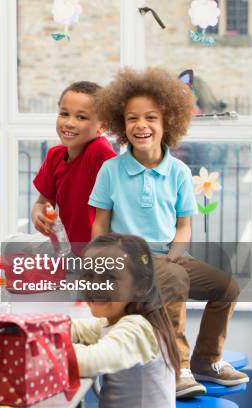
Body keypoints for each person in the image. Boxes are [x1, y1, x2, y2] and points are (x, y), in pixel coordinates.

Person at [89, 68, 248, 398]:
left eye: (150, 117)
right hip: (130, 259)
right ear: (121, 123)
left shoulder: (177, 170)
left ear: (168, 123)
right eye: (132, 118)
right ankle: (177, 367)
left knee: (227, 288)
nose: (141, 125)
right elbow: (100, 222)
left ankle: (207, 360)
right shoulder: (111, 170)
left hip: (169, 253)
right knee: (174, 279)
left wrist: (177, 250)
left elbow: (183, 225)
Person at [73, 234, 179, 407]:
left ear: (140, 286)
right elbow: (73, 328)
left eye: (109, 278)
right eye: (88, 275)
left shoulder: (138, 329)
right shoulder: (116, 320)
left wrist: (44, 347)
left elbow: (89, 362)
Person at [31, 81, 116, 252]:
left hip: (101, 253)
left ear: (102, 126)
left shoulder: (99, 152)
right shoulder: (54, 155)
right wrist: (38, 215)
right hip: (70, 250)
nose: (69, 123)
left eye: (81, 117)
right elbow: (42, 203)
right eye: (64, 114)